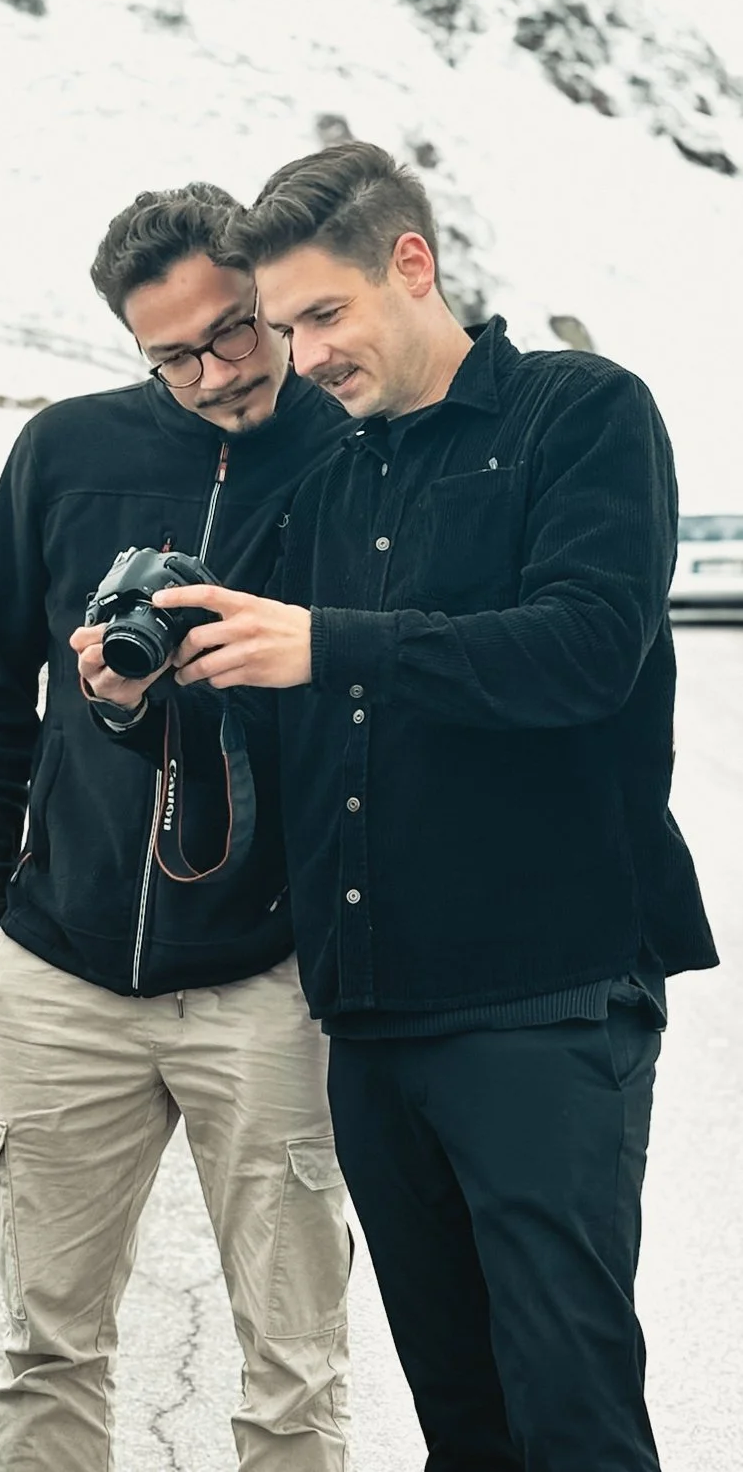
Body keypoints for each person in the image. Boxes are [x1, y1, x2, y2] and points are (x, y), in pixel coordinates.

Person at [77, 141, 718, 1472]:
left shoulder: (582, 413)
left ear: (411, 264)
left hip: (547, 999)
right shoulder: (326, 485)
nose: (303, 357)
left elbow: (588, 650)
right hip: (372, 1018)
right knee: (462, 1424)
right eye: (286, 326)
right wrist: (145, 701)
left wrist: (332, 643)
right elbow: (270, 716)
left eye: (325, 315)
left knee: (571, 1410)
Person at [0, 183, 353, 1472]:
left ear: (270, 294)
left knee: (293, 1369)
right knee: (44, 1352)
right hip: (59, 970)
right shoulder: (65, 452)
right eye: (175, 355)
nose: (217, 373)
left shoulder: (356, 451)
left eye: (235, 331)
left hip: (268, 977)